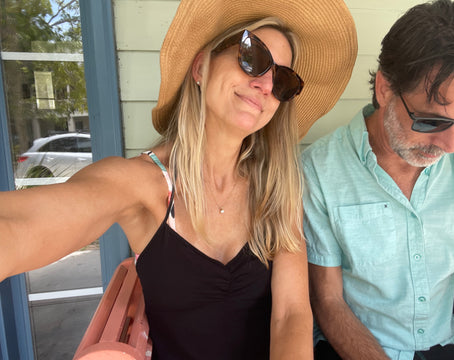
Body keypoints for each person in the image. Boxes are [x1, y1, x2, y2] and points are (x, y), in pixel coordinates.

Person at [0, 0, 357, 359]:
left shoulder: (276, 190)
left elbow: (291, 315)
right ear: (200, 66)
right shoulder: (144, 185)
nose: (265, 84)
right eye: (253, 56)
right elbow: (19, 226)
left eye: (282, 79)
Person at [302, 0, 454, 359]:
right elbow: (328, 301)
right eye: (431, 121)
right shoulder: (319, 170)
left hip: (449, 342)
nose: (451, 145)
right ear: (384, 88)